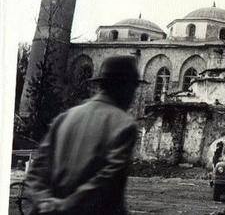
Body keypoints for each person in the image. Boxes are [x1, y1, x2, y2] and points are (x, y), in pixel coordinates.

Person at [25, 55, 143, 215]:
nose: (133, 95)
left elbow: (37, 169)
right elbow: (107, 181)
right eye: (133, 88)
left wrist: (45, 201)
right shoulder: (124, 124)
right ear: (124, 87)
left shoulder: (65, 117)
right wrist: (66, 205)